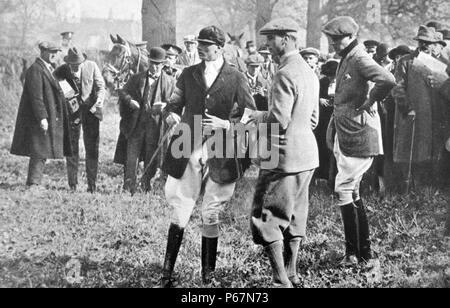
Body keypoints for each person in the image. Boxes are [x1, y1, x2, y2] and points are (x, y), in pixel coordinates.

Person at [158, 26, 256, 288]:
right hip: (187, 149)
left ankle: (207, 277)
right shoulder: (188, 74)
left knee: (211, 213)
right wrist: (171, 115)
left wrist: (228, 125)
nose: (200, 48)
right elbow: (173, 104)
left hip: (223, 152)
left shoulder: (236, 77)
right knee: (180, 209)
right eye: (199, 43)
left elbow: (251, 114)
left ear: (219, 48)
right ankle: (167, 275)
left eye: (206, 44)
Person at [248, 18, 320, 288]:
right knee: (295, 216)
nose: (267, 44)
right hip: (307, 156)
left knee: (269, 217)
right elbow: (313, 119)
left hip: (284, 157)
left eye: (271, 39)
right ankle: (292, 273)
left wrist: (256, 116)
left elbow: (278, 120)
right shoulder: (308, 71)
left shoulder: (284, 72)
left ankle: (280, 280)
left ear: (286, 39)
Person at [323, 16, 396, 265]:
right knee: (351, 191)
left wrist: (369, 101)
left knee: (343, 189)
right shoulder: (349, 55)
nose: (332, 43)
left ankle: (354, 254)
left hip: (359, 134)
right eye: (330, 39)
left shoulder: (359, 57)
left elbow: (387, 79)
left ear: (350, 37)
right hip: (348, 133)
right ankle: (361, 253)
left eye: (336, 39)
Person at [392, 26, 450, 190]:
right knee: (413, 152)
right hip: (414, 115)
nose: (425, 45)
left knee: (436, 152)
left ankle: (433, 188)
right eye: (422, 42)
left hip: (437, 116)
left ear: (435, 44)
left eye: (429, 43)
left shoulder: (444, 64)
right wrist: (407, 108)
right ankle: (410, 187)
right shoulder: (406, 61)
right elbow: (397, 87)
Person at [113, 47, 176, 194]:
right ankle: (128, 187)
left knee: (151, 159)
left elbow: (176, 103)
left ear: (163, 64)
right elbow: (122, 92)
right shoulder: (137, 78)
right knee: (131, 158)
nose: (155, 67)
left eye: (158, 64)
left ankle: (145, 186)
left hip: (155, 128)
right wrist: (129, 101)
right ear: (148, 61)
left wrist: (165, 106)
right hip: (136, 126)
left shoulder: (170, 82)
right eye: (152, 63)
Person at [11, 42, 73, 188]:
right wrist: (42, 117)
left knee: (42, 149)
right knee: (38, 150)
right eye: (51, 51)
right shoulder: (35, 70)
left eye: (57, 51)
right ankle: (33, 183)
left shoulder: (53, 69)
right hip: (39, 118)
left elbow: (68, 92)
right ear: (42, 51)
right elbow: (36, 97)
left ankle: (34, 182)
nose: (55, 54)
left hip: (52, 115)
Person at [54, 47, 106, 193]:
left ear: (83, 61)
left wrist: (99, 101)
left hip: (91, 112)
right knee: (71, 148)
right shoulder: (61, 71)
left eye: (77, 65)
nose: (75, 68)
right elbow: (60, 90)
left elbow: (101, 87)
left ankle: (92, 185)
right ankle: (73, 184)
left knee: (92, 148)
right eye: (72, 65)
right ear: (68, 63)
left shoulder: (92, 66)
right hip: (72, 114)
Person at [315, 59, 339, 187]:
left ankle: (334, 177)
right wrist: (320, 99)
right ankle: (322, 176)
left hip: (337, 117)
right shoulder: (322, 82)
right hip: (324, 117)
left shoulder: (342, 83)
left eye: (333, 76)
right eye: (329, 76)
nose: (331, 78)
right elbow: (314, 95)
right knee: (322, 144)